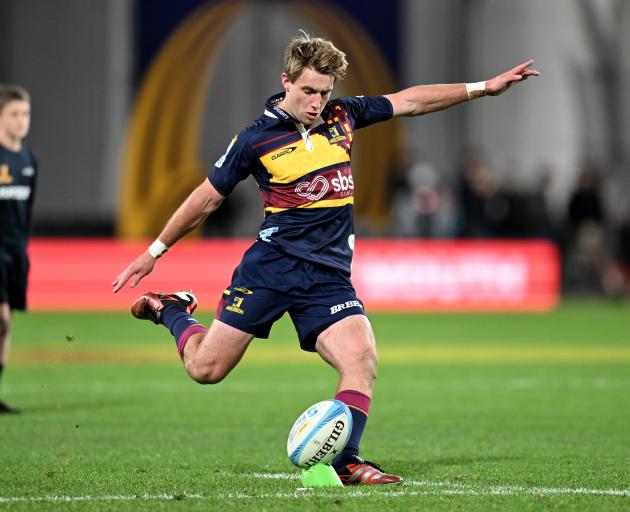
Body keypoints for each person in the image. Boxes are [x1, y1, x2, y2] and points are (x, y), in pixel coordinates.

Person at [113, 31, 539, 484]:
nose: (317, 102)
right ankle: (171, 310)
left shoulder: (344, 115)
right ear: (286, 82)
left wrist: (481, 88)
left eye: (325, 92)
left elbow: (409, 101)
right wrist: (154, 251)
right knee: (205, 369)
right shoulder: (255, 139)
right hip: (271, 269)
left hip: (328, 277)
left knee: (362, 359)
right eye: (309, 91)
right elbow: (205, 199)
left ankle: (347, 461)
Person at [0, 84, 37, 414]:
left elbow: (27, 208)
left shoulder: (27, 159)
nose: (21, 121)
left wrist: (23, 247)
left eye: (25, 114)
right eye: (14, 114)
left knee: (6, 322)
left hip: (15, 252)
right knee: (1, 317)